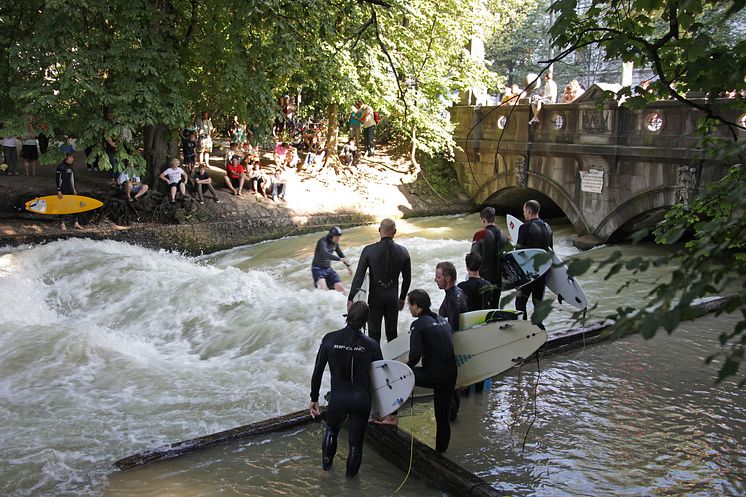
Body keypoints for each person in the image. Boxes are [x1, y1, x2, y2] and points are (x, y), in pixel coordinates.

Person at [309, 301, 383, 477]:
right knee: (356, 444)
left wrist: (314, 398)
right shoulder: (372, 345)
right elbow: (381, 376)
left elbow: (318, 370)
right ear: (365, 321)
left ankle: (326, 472)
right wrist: (384, 410)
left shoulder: (330, 339)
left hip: (338, 398)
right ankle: (351, 483)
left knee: (331, 431)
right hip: (361, 400)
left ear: (348, 315)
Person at [405, 289, 457, 453]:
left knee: (400, 375)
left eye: (410, 305)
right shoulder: (442, 320)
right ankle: (441, 454)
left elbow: (414, 357)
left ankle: (390, 416)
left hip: (434, 375)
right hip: (451, 373)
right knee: (443, 420)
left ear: (417, 306)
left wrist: (403, 368)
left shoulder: (418, 324)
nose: (409, 309)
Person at [348, 218, 411, 343]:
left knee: (373, 336)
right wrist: (402, 298)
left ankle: (375, 361)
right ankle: (393, 361)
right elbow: (407, 278)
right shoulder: (403, 252)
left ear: (379, 230)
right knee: (392, 335)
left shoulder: (368, 250)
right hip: (393, 299)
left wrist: (351, 298)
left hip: (375, 299)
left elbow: (359, 277)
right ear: (395, 232)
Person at [514, 200, 554, 329]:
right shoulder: (548, 227)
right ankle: (539, 331)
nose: (524, 213)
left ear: (529, 211)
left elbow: (518, 253)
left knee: (520, 303)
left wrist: (515, 278)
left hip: (527, 273)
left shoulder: (525, 228)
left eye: (524, 211)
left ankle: (524, 330)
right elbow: (550, 252)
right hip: (542, 272)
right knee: (538, 303)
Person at [470, 206, 508, 308]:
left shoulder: (480, 235)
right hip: (498, 279)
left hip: (482, 279)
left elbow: (473, 258)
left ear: (483, 220)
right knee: (494, 307)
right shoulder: (504, 236)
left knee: (482, 308)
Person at [311, 226, 353, 293]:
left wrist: (348, 266)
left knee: (341, 289)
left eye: (339, 237)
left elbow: (341, 254)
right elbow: (326, 254)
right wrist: (340, 259)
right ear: (331, 236)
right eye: (336, 237)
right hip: (317, 270)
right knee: (323, 290)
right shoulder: (322, 242)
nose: (338, 239)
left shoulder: (335, 243)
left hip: (328, 269)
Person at [434, 261, 468, 332]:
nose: (435, 280)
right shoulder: (456, 292)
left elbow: (454, 329)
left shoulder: (453, 298)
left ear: (447, 278)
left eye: (438, 277)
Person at [56, 152, 82, 230]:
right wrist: (58, 190)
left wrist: (74, 189)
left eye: (72, 158)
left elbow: (72, 178)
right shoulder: (60, 167)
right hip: (62, 189)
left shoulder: (71, 166)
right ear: (66, 157)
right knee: (62, 205)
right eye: (70, 157)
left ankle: (76, 223)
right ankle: (62, 223)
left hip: (70, 189)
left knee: (75, 205)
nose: (71, 159)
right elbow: (57, 179)